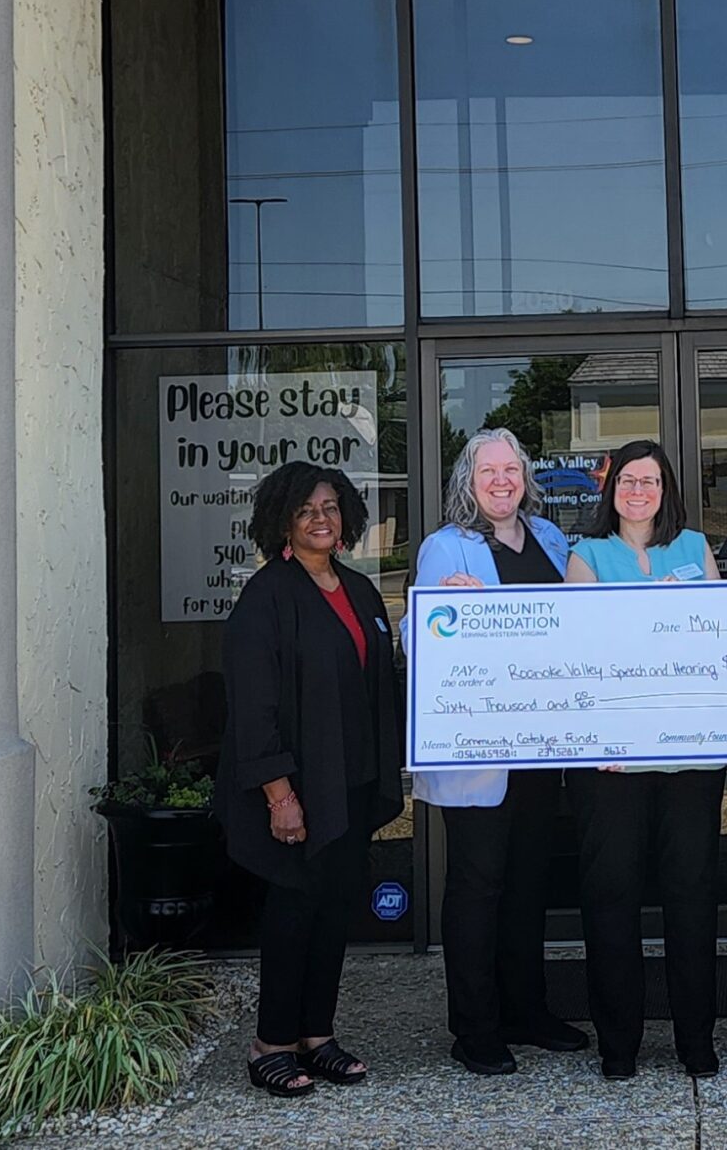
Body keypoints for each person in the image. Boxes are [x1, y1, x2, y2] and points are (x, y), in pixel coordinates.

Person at [413, 427, 593, 1075]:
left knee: (526, 885)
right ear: (468, 480)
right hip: (478, 753)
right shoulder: (445, 548)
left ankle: (528, 1011)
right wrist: (441, 611)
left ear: (525, 477)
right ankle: (475, 1027)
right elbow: (416, 636)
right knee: (477, 886)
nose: (500, 481)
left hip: (541, 747)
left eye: (510, 470)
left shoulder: (549, 539)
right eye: (487, 471)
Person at [222, 459, 401, 1098]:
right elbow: (253, 705)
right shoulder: (268, 596)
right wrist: (279, 794)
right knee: (294, 912)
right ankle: (270, 1042)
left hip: (349, 784)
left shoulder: (357, 590)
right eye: (306, 511)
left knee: (333, 912)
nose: (320, 519)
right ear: (283, 522)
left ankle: (315, 1035)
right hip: (297, 790)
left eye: (329, 508)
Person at [566, 439, 723, 1080]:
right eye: (628, 480)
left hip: (689, 763)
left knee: (692, 899)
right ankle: (619, 1045)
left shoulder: (694, 548)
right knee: (611, 900)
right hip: (614, 768)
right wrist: (593, 737)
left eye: (650, 481)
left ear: (666, 489)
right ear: (611, 489)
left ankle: (696, 1042)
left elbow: (721, 639)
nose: (638, 491)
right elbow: (573, 655)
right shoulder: (587, 555)